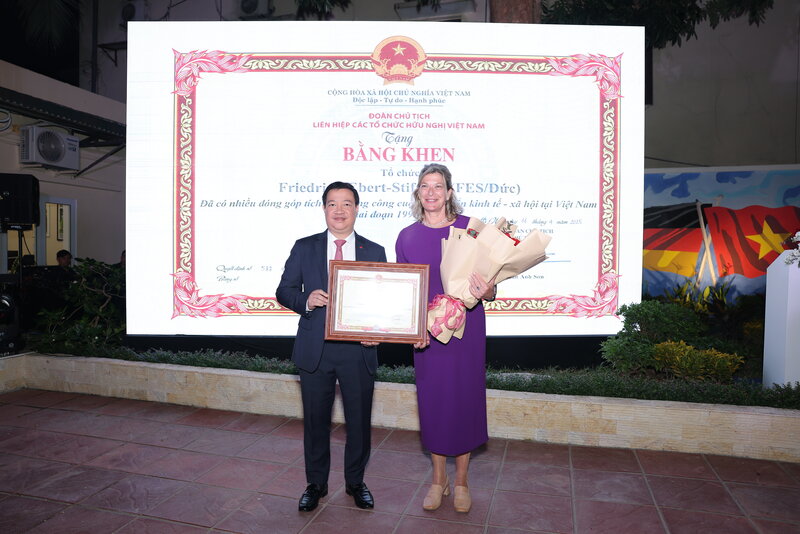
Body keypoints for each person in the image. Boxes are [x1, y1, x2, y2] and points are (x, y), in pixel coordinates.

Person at [276, 181, 387, 512]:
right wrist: (306, 300)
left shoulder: (374, 251)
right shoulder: (304, 247)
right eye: (333, 204)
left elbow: (384, 302)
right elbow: (284, 291)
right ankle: (316, 484)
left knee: (359, 422)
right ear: (324, 209)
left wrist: (379, 331)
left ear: (357, 209)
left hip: (358, 350)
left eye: (347, 204)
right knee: (315, 422)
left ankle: (355, 482)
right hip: (316, 349)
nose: (339, 210)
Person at [395, 163, 494, 513]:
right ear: (417, 193)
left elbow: (491, 282)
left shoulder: (470, 229)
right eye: (425, 186)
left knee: (464, 400)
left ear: (449, 192)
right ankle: (439, 480)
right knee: (433, 402)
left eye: (438, 186)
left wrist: (488, 290)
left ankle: (462, 480)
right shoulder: (406, 236)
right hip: (428, 333)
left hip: (467, 330)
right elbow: (406, 291)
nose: (431, 192)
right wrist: (413, 329)